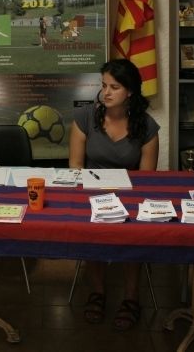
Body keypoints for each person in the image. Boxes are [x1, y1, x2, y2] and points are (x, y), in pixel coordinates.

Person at [69, 59, 159, 330]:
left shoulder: (146, 126)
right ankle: (98, 292)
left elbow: (147, 178)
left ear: (129, 92)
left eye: (115, 87)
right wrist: (95, 190)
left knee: (134, 233)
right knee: (91, 229)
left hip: (131, 194)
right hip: (92, 193)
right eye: (104, 86)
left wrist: (125, 196)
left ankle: (131, 298)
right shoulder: (86, 117)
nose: (106, 93)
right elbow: (75, 166)